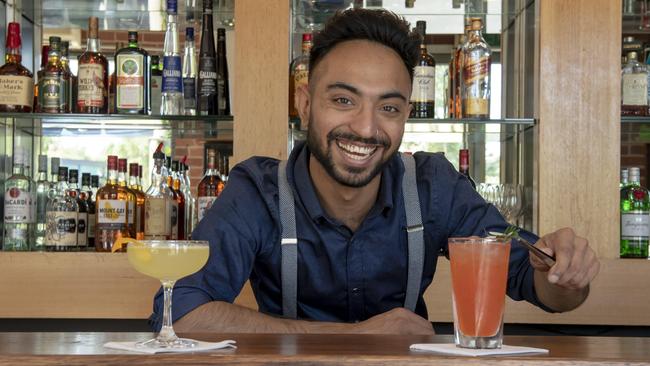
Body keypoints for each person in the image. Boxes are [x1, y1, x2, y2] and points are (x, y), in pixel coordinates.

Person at [150, 8, 599, 335]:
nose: (366, 128)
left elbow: (538, 284)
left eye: (388, 107)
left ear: (406, 115)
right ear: (305, 105)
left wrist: (567, 273)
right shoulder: (259, 191)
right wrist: (354, 338)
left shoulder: (432, 187)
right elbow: (179, 313)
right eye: (343, 101)